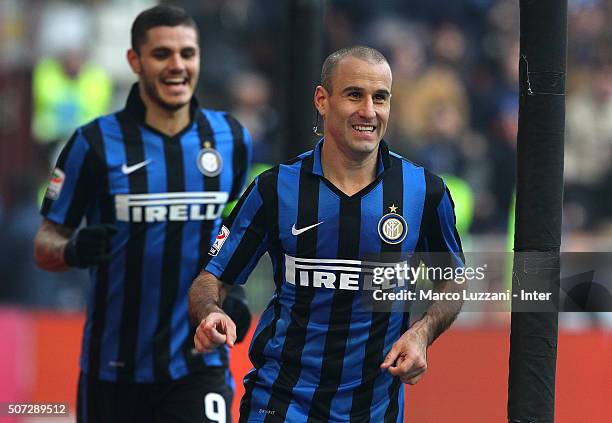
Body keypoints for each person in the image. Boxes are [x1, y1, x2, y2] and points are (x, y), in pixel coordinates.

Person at [189, 46, 464, 422]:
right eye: (354, 95)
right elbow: (210, 279)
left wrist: (423, 332)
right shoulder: (274, 189)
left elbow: (454, 280)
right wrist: (210, 313)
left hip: (374, 410)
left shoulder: (424, 192)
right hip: (281, 404)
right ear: (322, 100)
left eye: (379, 98)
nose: (369, 111)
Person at [33, 5, 252, 423]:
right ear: (135, 61)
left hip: (198, 366)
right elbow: (44, 244)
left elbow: (234, 237)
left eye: (187, 54)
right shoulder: (92, 143)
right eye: (162, 54)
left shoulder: (231, 139)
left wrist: (231, 292)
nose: (177, 66)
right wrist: (73, 249)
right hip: (112, 369)